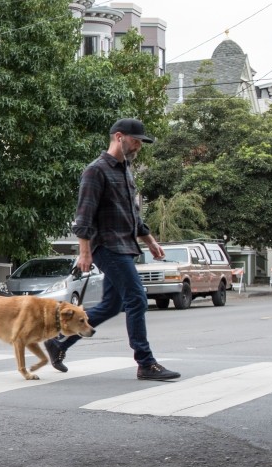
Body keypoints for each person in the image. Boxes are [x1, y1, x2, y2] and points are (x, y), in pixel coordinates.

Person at [44, 118, 180, 382]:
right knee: (137, 299)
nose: (139, 145)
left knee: (110, 305)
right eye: (136, 139)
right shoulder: (96, 171)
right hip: (107, 245)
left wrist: (149, 241)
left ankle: (59, 342)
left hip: (126, 245)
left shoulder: (126, 169)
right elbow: (84, 217)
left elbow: (132, 213)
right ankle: (145, 362)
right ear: (119, 137)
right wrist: (85, 252)